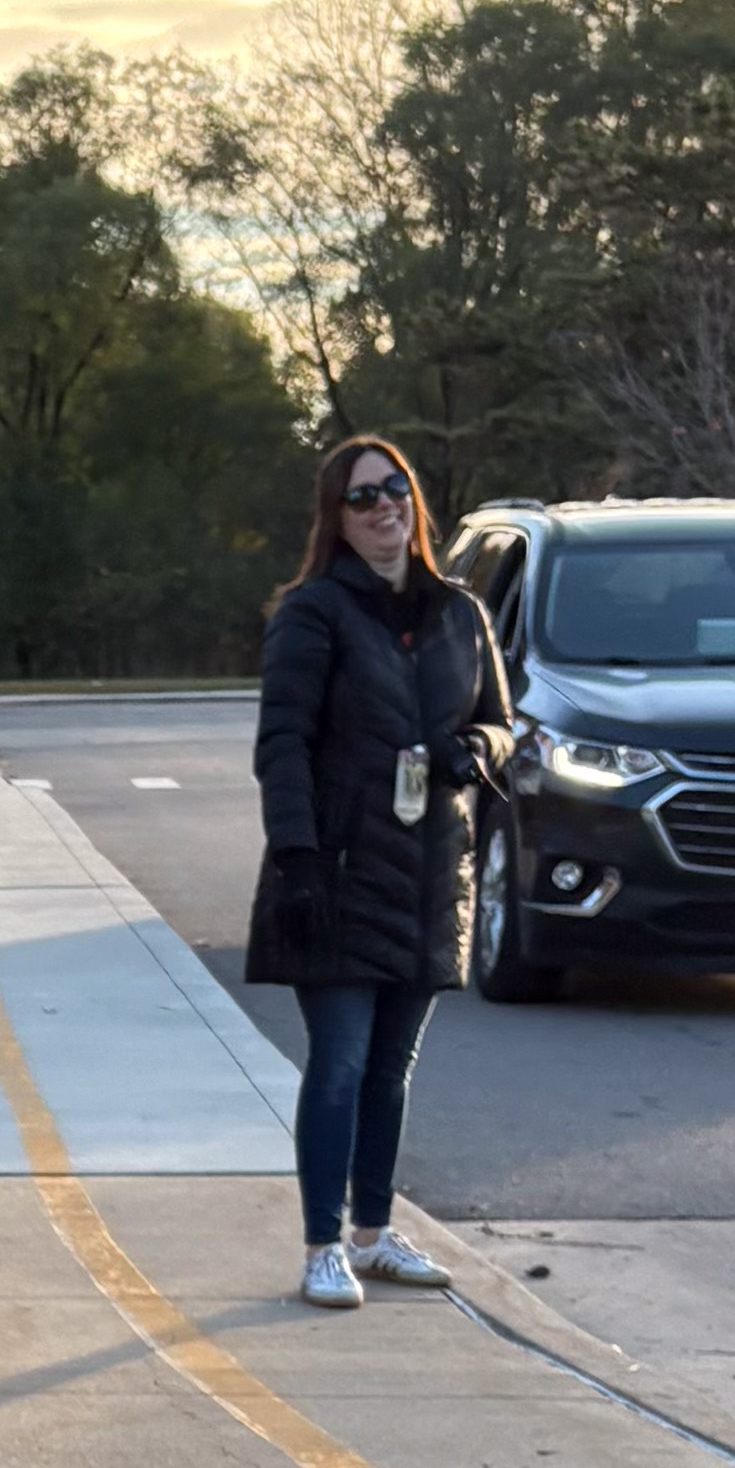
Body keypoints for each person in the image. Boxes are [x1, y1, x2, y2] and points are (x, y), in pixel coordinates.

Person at [243, 434, 512, 1309]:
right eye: (363, 497)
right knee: (342, 1060)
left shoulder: (460, 613)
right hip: (339, 870)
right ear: (338, 518)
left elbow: (502, 723)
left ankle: (374, 1232)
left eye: (395, 489)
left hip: (433, 869)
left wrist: (472, 749)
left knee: (393, 1066)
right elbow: (280, 747)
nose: (384, 505)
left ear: (415, 503)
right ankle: (324, 1245)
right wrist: (299, 860)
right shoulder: (312, 614)